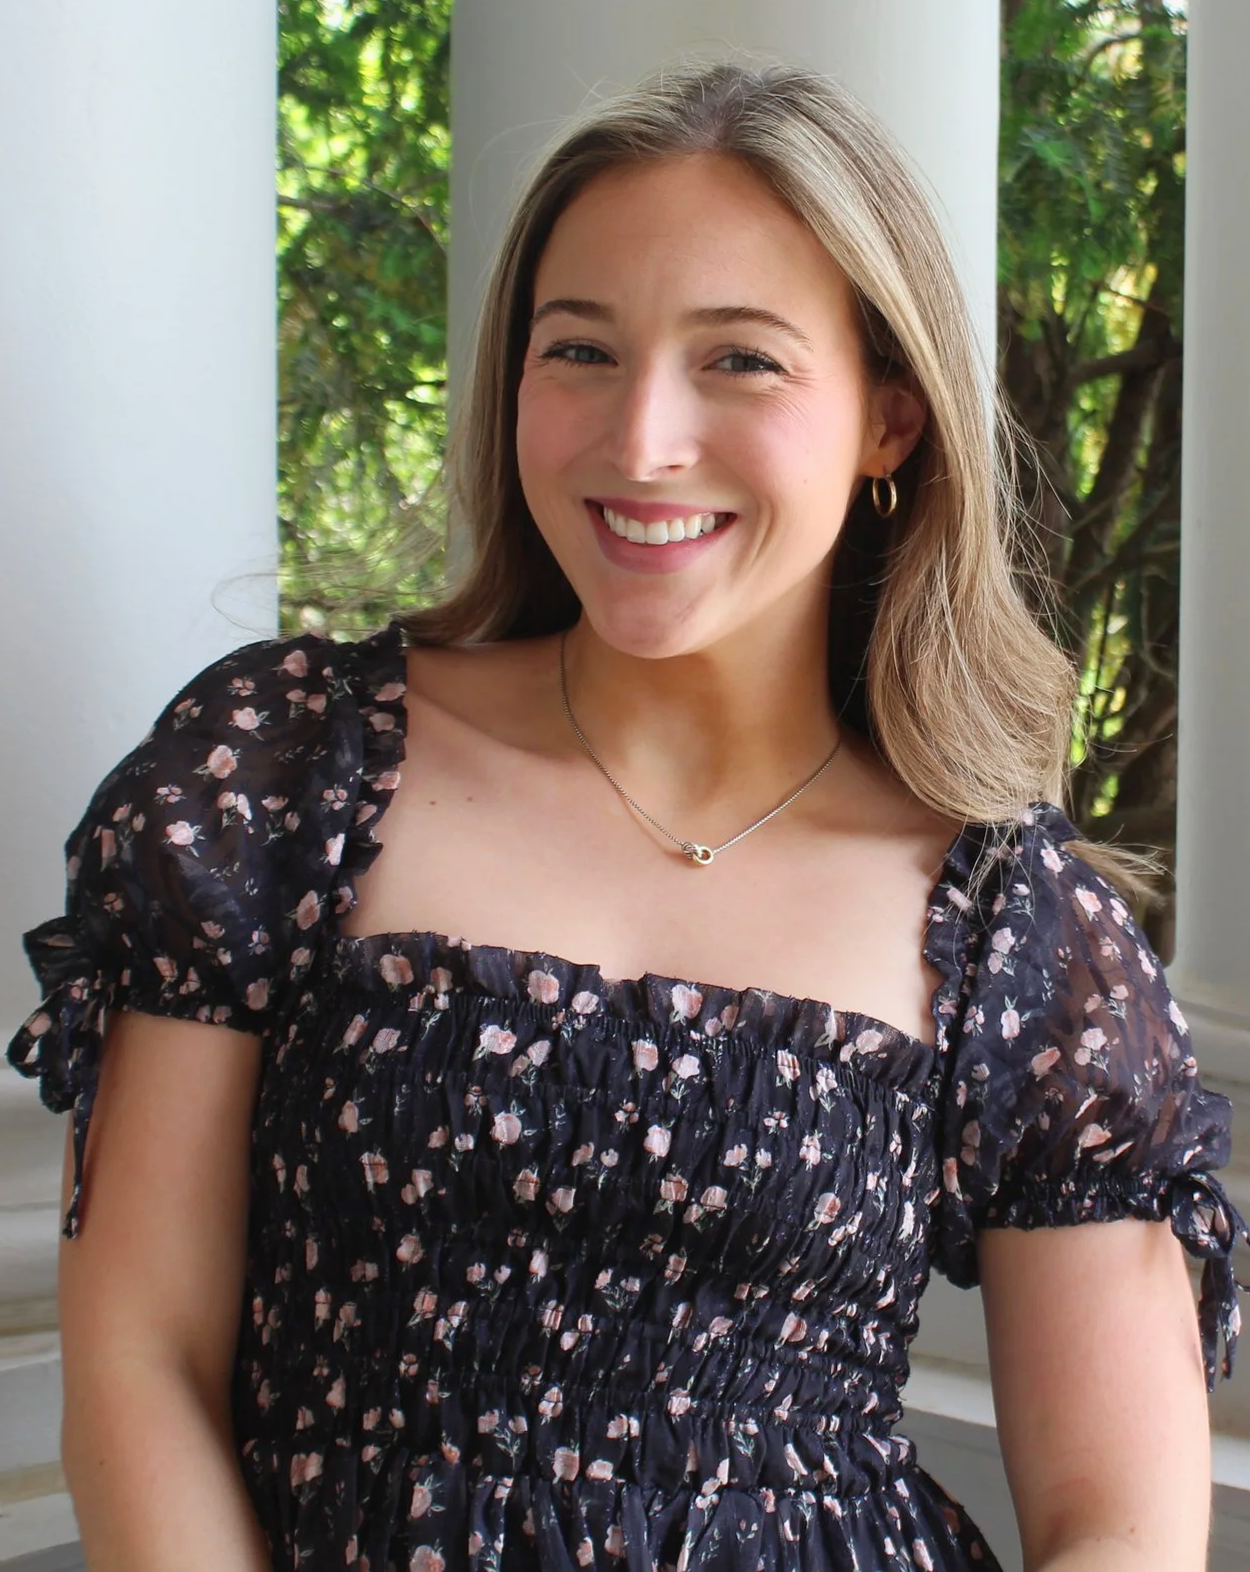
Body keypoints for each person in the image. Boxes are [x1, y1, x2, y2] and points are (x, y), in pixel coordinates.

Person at [7, 59, 1245, 1572]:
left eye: (739, 361)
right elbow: (142, 1356)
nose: (640, 437)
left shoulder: (1006, 921)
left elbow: (1118, 1528)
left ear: (891, 420)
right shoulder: (289, 773)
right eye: (579, 350)